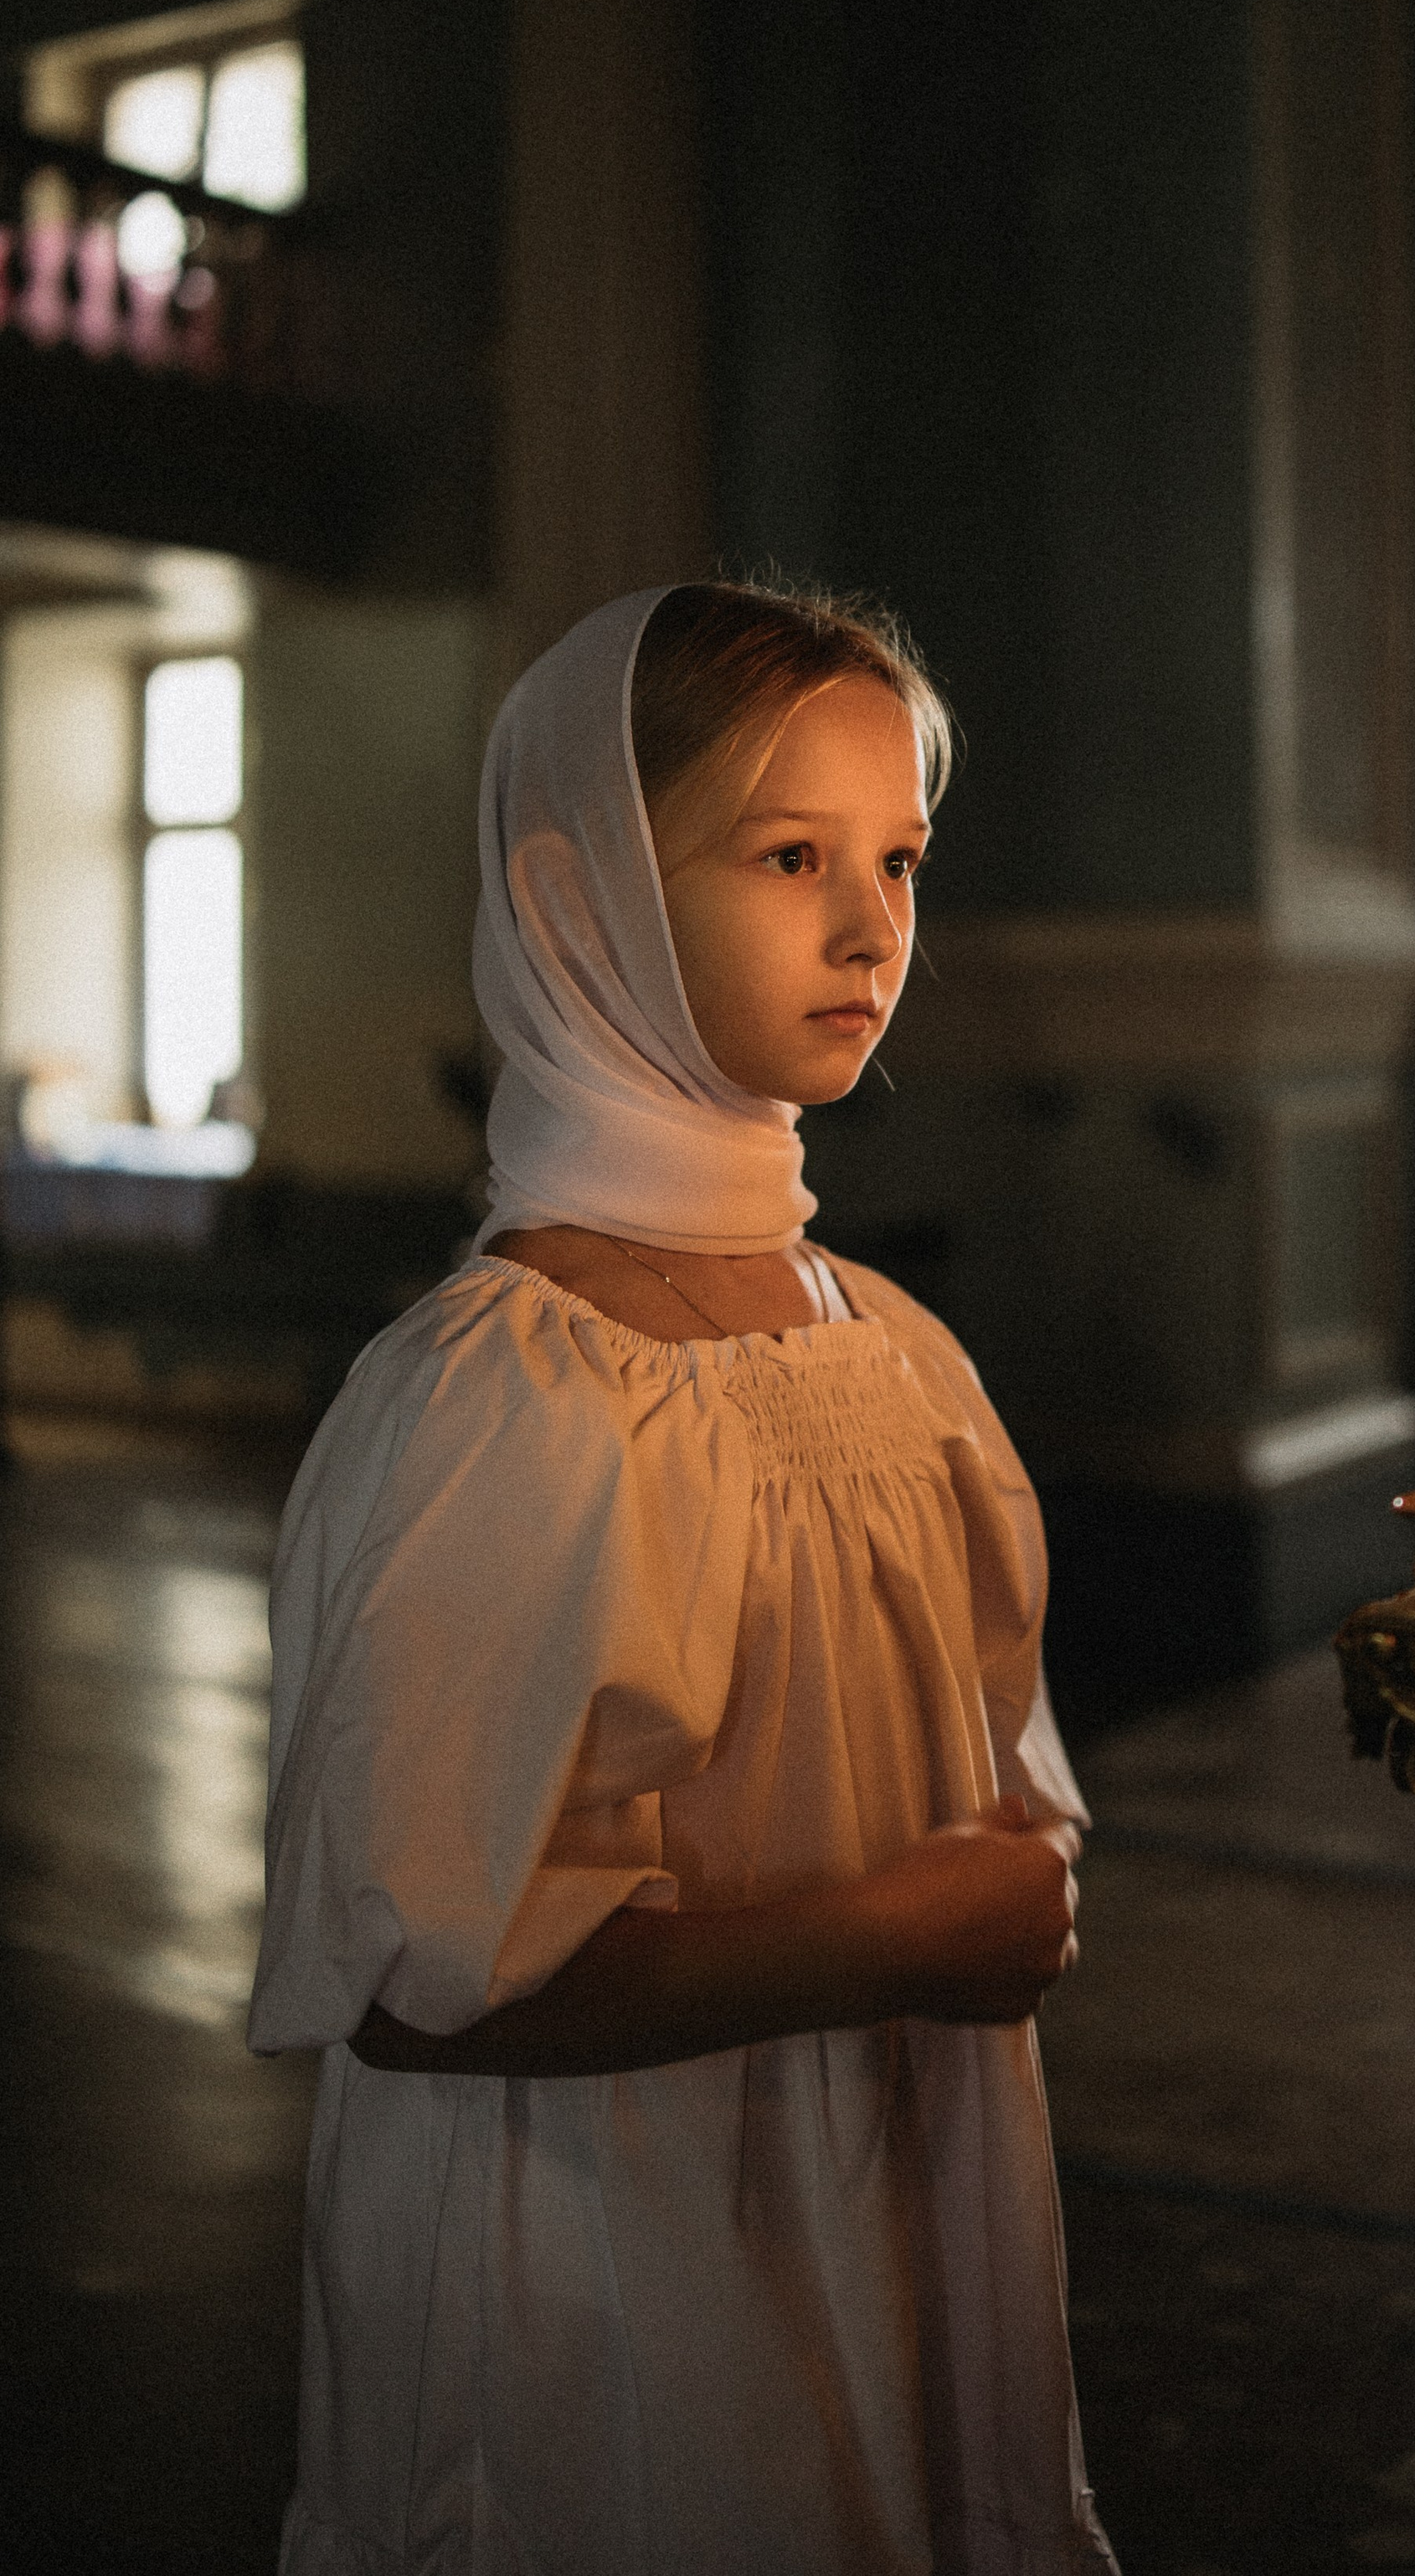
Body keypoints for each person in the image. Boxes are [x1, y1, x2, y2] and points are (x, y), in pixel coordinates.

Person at [249, 579, 1116, 2576]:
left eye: (896, 857)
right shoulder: (509, 1399)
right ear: (581, 896)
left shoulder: (890, 1349)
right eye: (786, 856)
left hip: (887, 2193)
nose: (869, 924)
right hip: (614, 2266)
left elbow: (984, 1798)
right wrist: (887, 1945)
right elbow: (420, 1990)